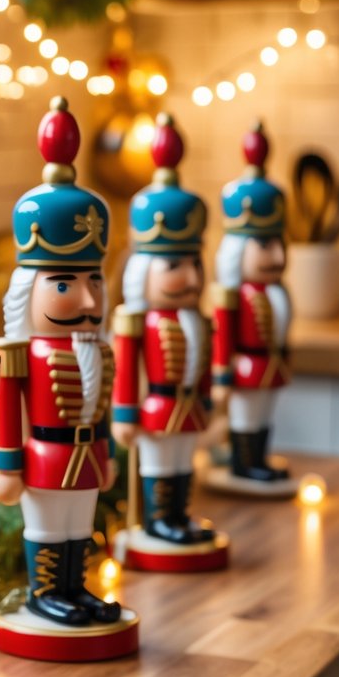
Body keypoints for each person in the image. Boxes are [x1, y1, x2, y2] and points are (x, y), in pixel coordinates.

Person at [0, 96, 120, 627]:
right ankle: (45, 592)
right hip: (44, 455)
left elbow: (101, 404)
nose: (88, 299)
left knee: (78, 527)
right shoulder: (22, 351)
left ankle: (74, 587)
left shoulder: (98, 348)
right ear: (29, 290)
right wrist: (7, 465)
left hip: (88, 453)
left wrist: (106, 449)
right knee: (47, 527)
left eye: (94, 282)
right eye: (65, 285)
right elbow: (7, 410)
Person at [111, 113, 216, 546]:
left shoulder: (197, 319)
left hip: (188, 407)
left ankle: (179, 515)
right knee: (159, 464)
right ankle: (158, 521)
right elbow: (126, 369)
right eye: (175, 266)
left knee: (183, 463)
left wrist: (206, 397)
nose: (190, 277)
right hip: (156, 408)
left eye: (194, 264)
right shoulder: (140, 321)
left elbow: (203, 362)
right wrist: (124, 413)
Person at [212, 122, 292, 485]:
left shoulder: (277, 291)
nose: (277, 256)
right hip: (245, 367)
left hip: (270, 365)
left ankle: (258, 458)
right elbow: (223, 335)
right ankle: (243, 463)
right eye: (265, 246)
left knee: (264, 415)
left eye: (279, 245)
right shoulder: (235, 295)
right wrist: (222, 375)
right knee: (245, 416)